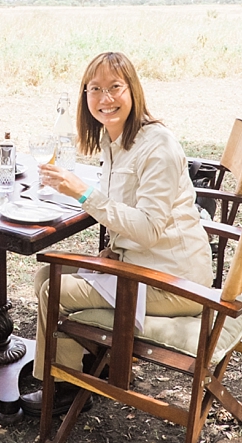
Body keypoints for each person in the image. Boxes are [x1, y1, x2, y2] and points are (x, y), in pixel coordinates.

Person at [19, 51, 212, 417]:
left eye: (114, 88)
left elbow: (151, 229)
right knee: (45, 273)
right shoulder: (116, 140)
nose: (105, 98)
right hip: (141, 264)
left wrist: (84, 193)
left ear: (133, 91)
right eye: (95, 89)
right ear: (85, 97)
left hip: (173, 280)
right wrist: (112, 251)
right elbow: (131, 215)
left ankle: (62, 385)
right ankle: (93, 365)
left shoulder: (158, 145)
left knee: (53, 287)